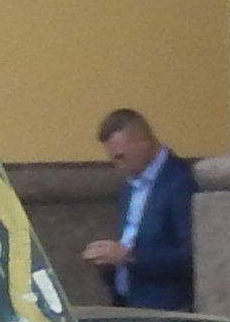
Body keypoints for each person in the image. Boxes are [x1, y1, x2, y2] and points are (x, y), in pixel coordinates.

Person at [84, 108, 197, 310]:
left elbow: (192, 257)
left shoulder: (180, 182)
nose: (118, 166)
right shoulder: (130, 186)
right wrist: (108, 263)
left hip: (167, 310)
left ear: (143, 143)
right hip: (130, 304)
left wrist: (128, 256)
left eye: (121, 157)